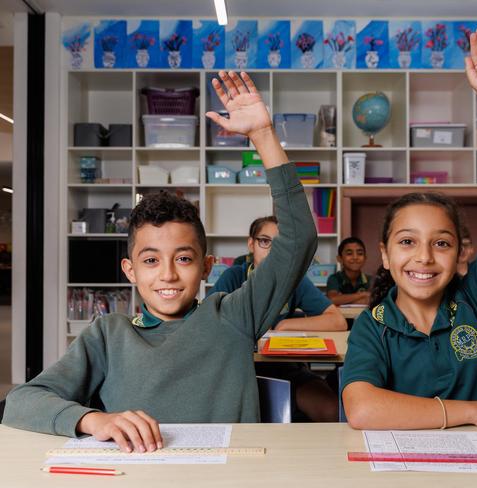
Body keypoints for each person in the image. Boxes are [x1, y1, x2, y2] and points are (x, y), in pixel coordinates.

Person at [2, 71, 317, 451]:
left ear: (206, 266)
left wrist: (264, 135)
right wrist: (95, 419)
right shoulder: (108, 335)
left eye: (183, 258)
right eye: (151, 260)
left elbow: (298, 238)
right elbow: (21, 402)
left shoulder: (233, 315)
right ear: (130, 271)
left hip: (225, 476)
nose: (167, 273)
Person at [340, 28, 477, 430]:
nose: (423, 256)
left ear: (462, 255)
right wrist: (475, 411)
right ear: (385, 255)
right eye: (407, 242)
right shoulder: (374, 324)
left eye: (441, 243)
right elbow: (363, 409)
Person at [206, 215, 345, 422]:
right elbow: (208, 323)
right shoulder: (233, 276)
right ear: (251, 244)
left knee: (330, 409)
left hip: (283, 369)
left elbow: (337, 320)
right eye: (265, 241)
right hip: (237, 371)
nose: (273, 250)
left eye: (281, 244)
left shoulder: (294, 282)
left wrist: (285, 324)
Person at [326, 237, 372, 306]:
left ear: (365, 258)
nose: (355, 257)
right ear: (339, 259)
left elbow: (372, 300)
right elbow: (332, 299)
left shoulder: (370, 280)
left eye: (360, 253)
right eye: (349, 253)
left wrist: (342, 300)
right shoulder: (334, 278)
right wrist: (363, 294)